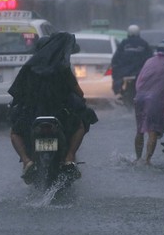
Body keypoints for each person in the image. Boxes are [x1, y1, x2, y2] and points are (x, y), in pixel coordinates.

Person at [8, 32, 97, 184]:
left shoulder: (29, 67)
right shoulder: (62, 68)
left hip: (32, 115)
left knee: (15, 133)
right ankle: (69, 158)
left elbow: (16, 92)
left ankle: (26, 161)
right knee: (80, 126)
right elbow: (80, 93)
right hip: (60, 114)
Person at [110, 24, 152, 98]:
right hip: (139, 72)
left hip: (126, 72)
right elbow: (150, 58)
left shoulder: (124, 43)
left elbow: (116, 58)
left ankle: (118, 93)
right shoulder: (144, 43)